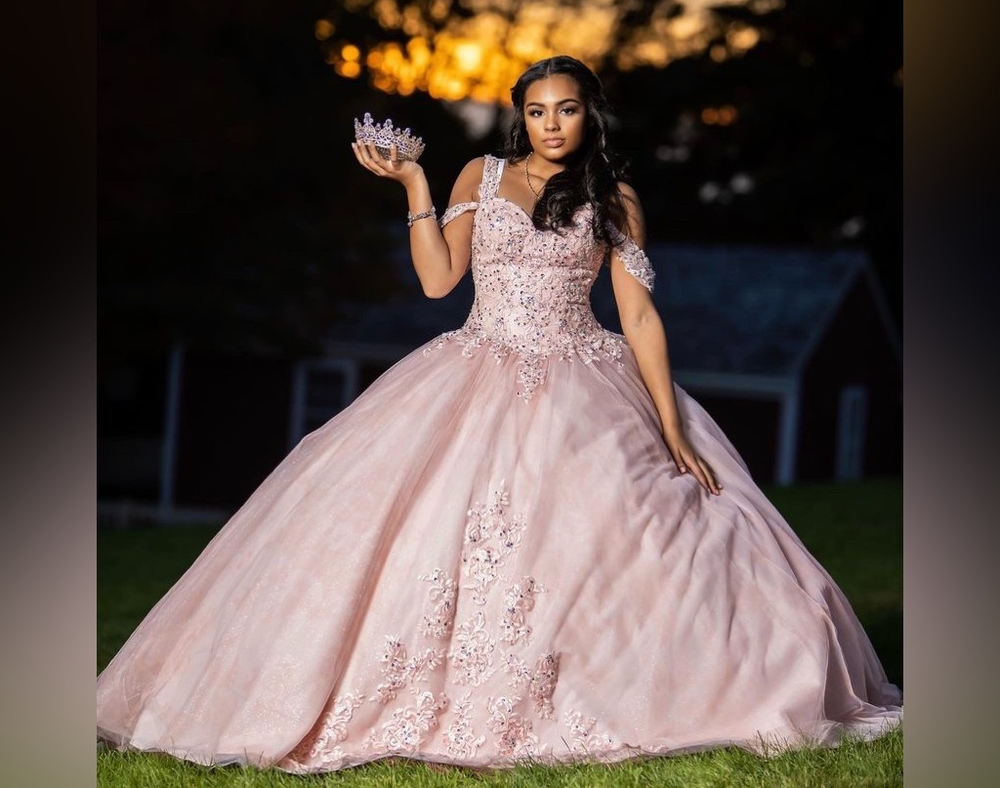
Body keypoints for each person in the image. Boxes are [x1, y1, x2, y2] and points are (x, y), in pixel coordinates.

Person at [96, 55, 902, 772]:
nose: (552, 124)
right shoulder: (477, 175)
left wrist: (673, 424)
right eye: (539, 110)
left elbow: (641, 318)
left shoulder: (614, 197)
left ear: (591, 116)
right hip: (471, 369)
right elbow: (439, 283)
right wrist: (414, 185)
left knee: (623, 539)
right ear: (523, 115)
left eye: (569, 109)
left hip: (585, 381)